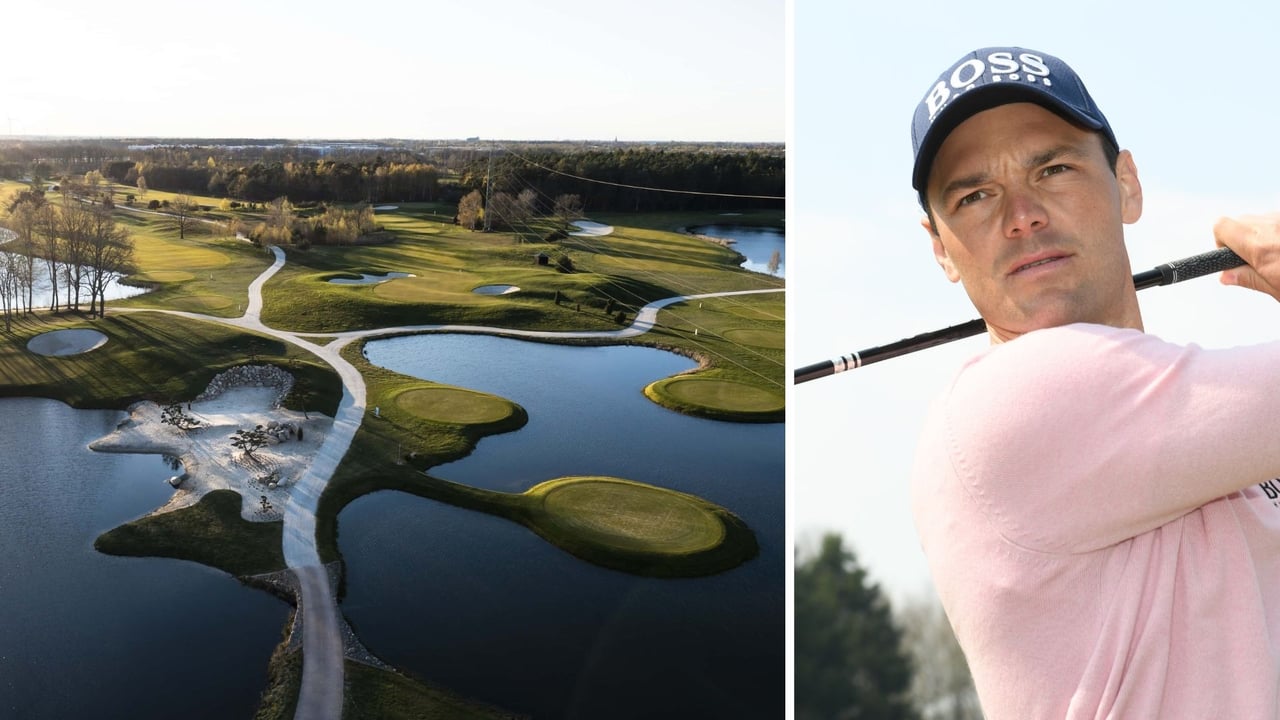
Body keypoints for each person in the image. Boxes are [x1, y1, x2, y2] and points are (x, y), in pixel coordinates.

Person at [908, 46, 1280, 719]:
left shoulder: (1218, 438)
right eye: (974, 196)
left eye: (1052, 169)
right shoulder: (1015, 400)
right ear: (941, 248)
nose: (1022, 215)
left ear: (1126, 184)